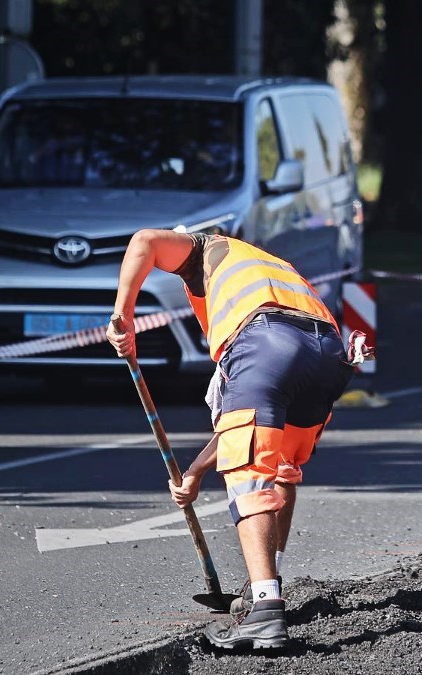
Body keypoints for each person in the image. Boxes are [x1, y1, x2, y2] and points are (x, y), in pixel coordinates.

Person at [106, 229, 358, 649]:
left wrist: (123, 318)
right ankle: (265, 582)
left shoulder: (204, 251)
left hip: (265, 338)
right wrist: (195, 472)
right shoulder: (264, 265)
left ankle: (264, 612)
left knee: (249, 471)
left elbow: (144, 241)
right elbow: (237, 432)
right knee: (278, 465)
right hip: (327, 352)